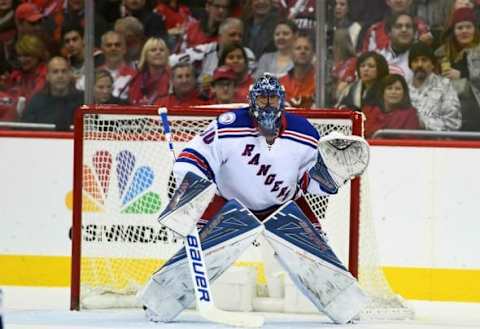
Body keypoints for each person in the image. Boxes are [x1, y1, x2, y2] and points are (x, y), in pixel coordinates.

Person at [435, 7, 480, 131]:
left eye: (468, 27)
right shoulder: (441, 54)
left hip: (475, 114)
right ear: (453, 31)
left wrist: (462, 75)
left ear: (475, 29)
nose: (464, 31)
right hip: (448, 115)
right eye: (460, 28)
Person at [407, 42, 462, 131]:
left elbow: (453, 122)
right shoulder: (403, 87)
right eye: (415, 61)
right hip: (405, 141)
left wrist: (423, 124)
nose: (419, 64)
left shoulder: (445, 86)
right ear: (410, 65)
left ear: (432, 64)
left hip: (435, 141)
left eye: (424, 60)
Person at [21, 56, 83, 130]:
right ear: (47, 76)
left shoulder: (83, 99)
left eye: (64, 71)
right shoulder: (36, 101)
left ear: (70, 74)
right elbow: (26, 131)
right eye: (55, 72)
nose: (60, 76)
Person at [363, 73, 420, 138]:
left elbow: (409, 140)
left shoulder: (410, 113)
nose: (393, 92)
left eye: (398, 89)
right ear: (382, 92)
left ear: (404, 93)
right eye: (389, 88)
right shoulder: (369, 111)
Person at [128, 37, 171, 105]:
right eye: (153, 50)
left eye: (162, 50)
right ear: (145, 55)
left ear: (167, 54)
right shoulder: (137, 78)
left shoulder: (173, 77)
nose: (158, 52)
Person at [279, 33, 315, 108]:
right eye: (298, 48)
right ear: (291, 54)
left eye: (306, 48)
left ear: (312, 54)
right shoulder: (281, 84)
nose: (302, 52)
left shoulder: (320, 83)